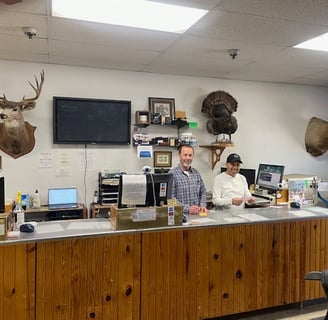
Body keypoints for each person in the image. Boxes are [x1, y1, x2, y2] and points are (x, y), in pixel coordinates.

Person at [169, 144, 208, 215]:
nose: (188, 158)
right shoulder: (172, 174)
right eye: (185, 155)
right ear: (179, 155)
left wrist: (202, 205)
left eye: (190, 155)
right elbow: (170, 200)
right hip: (180, 216)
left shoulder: (196, 173)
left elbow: (203, 192)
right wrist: (187, 209)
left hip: (198, 215)